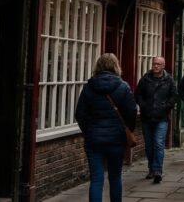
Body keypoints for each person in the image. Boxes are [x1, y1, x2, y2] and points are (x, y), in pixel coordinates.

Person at [75, 53, 137, 202]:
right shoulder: (123, 86)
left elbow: (80, 114)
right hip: (116, 139)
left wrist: (88, 131)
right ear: (116, 66)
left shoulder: (89, 86)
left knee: (96, 179)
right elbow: (131, 112)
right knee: (115, 177)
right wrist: (128, 129)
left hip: (94, 140)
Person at [135, 56, 177, 183]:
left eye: (158, 64)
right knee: (149, 145)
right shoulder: (145, 79)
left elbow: (173, 97)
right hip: (147, 117)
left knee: (158, 143)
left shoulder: (169, 80)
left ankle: (158, 170)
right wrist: (143, 105)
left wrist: (165, 107)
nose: (156, 66)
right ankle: (151, 169)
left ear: (163, 66)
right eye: (154, 64)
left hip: (161, 117)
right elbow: (137, 94)